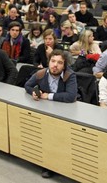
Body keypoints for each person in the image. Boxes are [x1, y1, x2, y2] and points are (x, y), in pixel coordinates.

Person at [25, 49, 77, 178]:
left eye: (59, 63)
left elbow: (71, 96)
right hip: (47, 111)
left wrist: (48, 96)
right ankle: (47, 162)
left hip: (66, 113)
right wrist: (33, 92)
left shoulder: (69, 75)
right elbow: (27, 85)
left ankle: (53, 165)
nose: (55, 65)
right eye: (53, 61)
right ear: (49, 62)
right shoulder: (41, 73)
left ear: (64, 65)